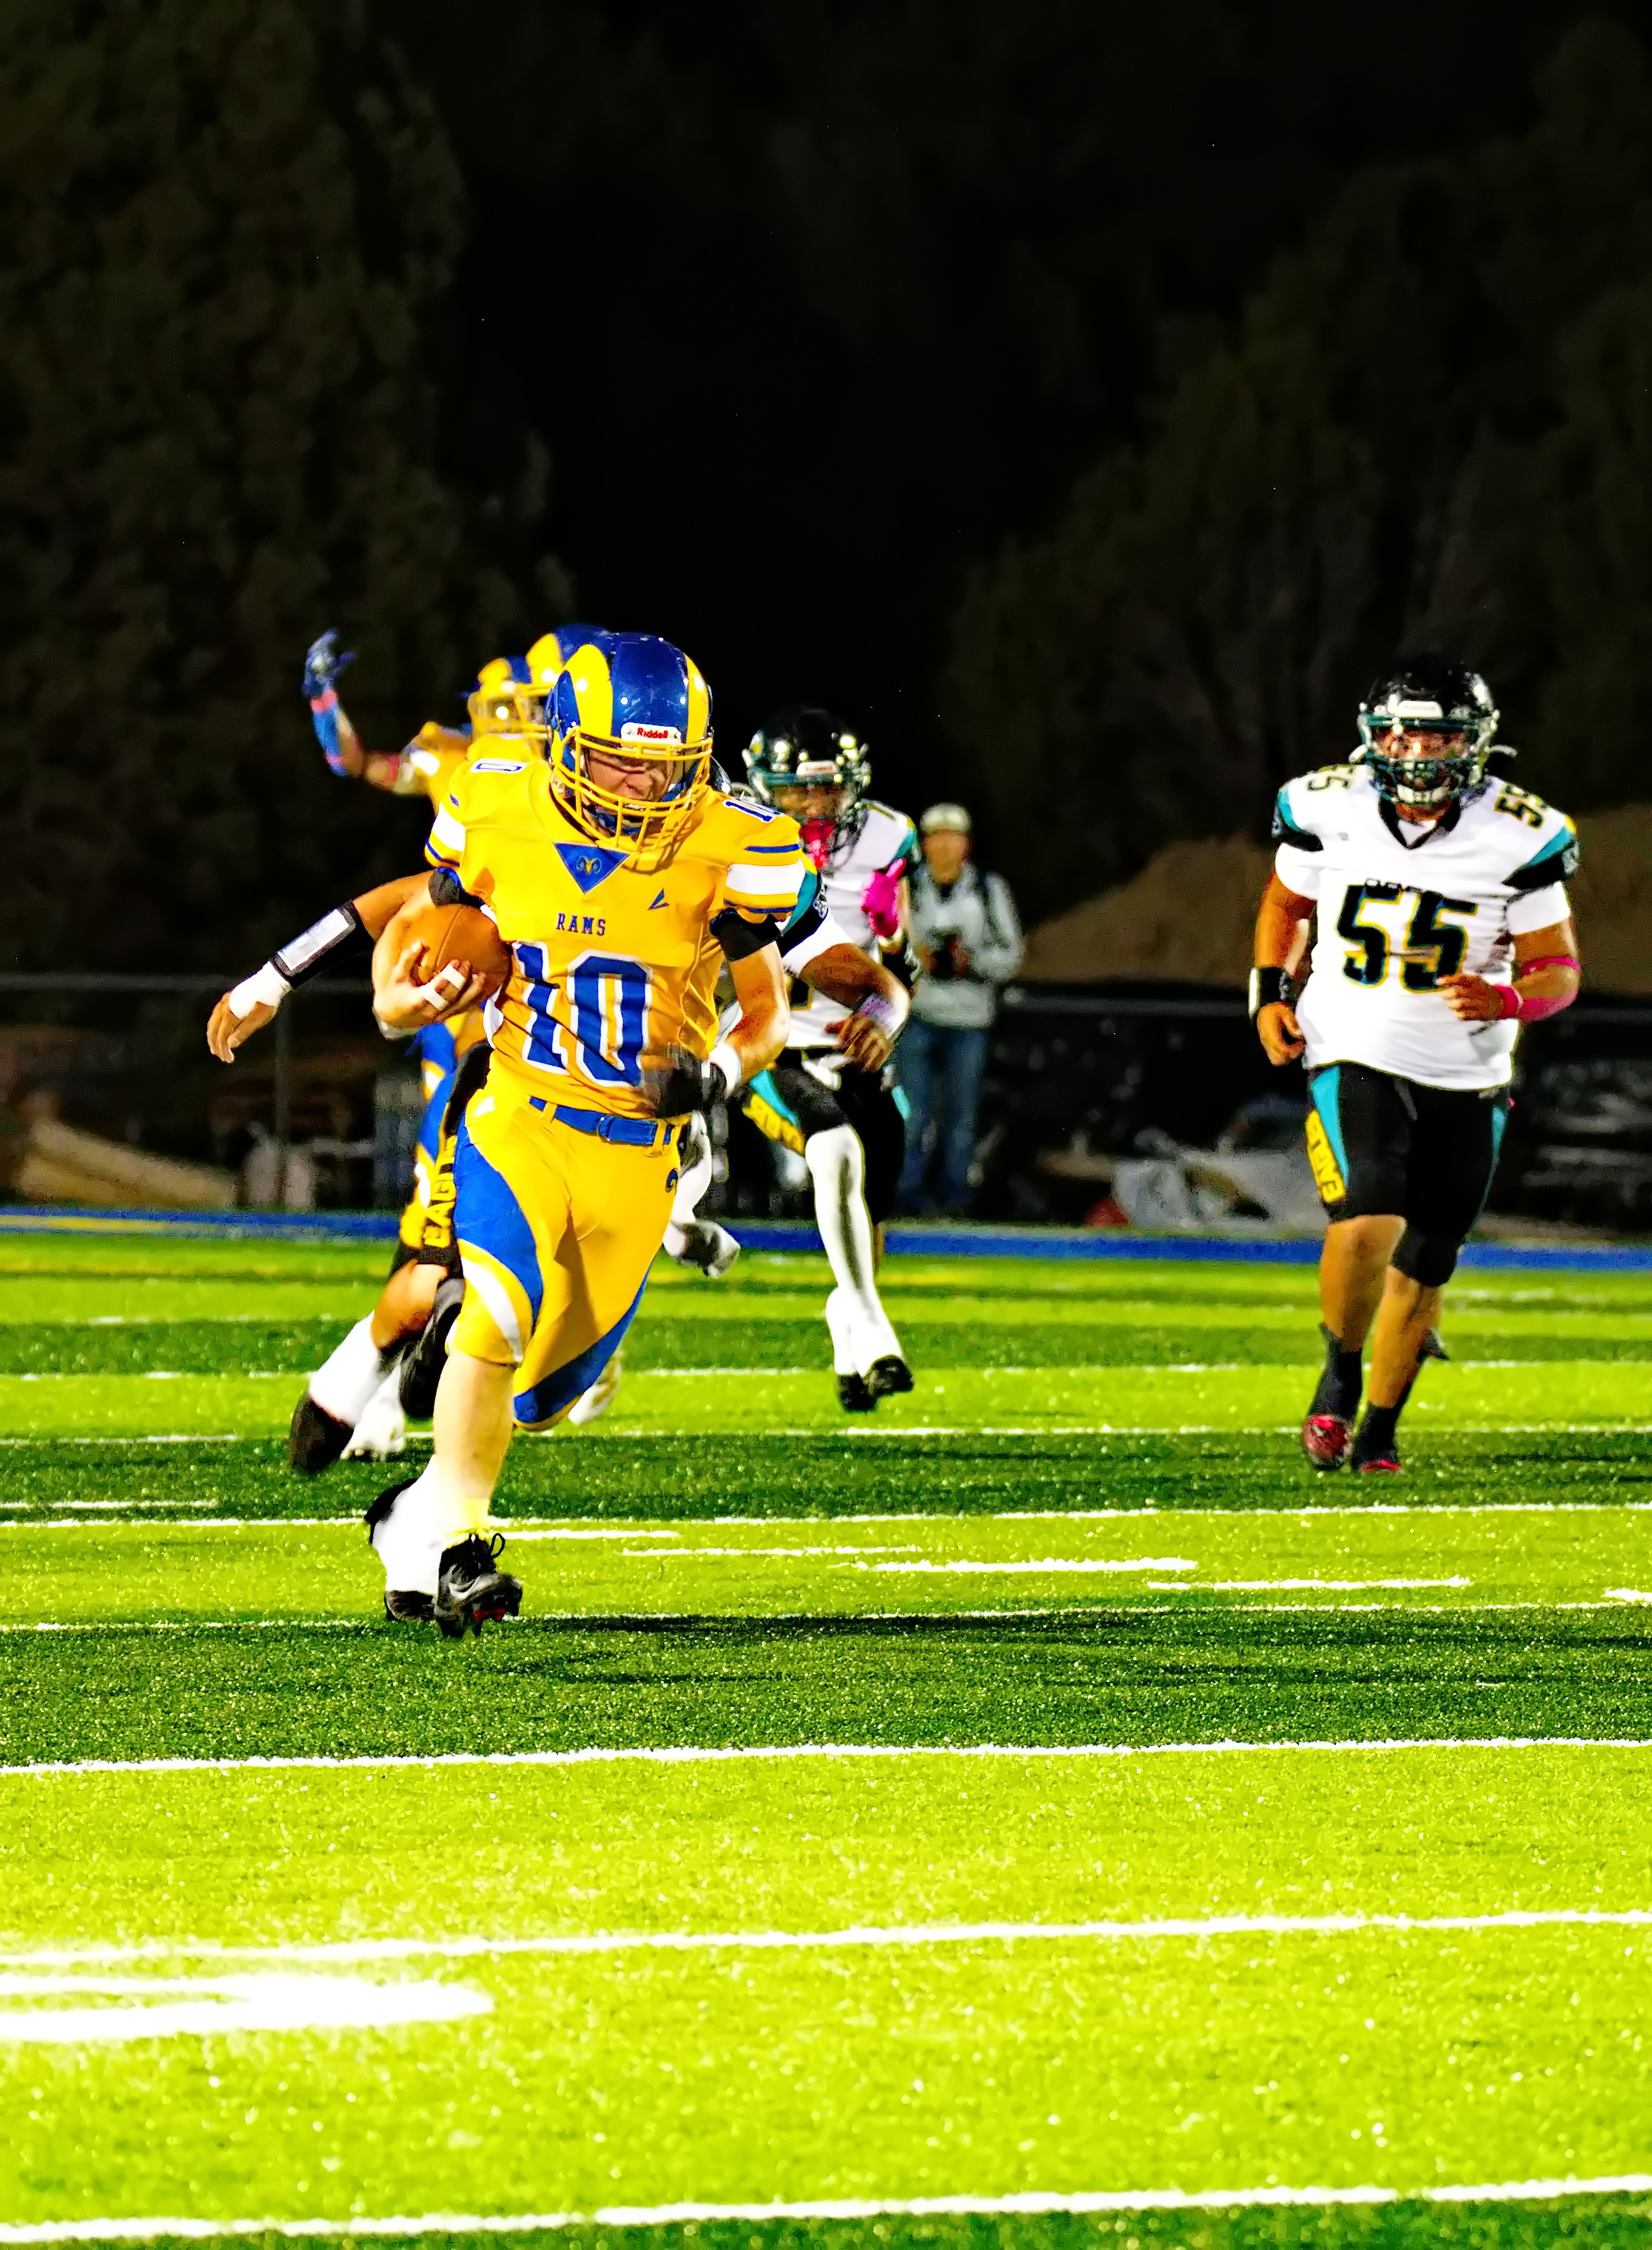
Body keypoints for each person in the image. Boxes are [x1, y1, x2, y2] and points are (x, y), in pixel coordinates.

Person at [363, 631, 816, 1635]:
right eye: (620, 757)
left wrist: (711, 1075)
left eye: (666, 763)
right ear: (566, 742)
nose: (644, 783)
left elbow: (767, 1009)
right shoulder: (498, 796)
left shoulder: (740, 844)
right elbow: (424, 913)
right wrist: (397, 995)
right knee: (500, 1313)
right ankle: (457, 1547)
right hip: (521, 1110)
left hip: (640, 1154)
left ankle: (415, 1518)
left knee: (549, 1396)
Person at [1252, 654, 1582, 1476]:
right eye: (1398, 731)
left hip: (1470, 1072)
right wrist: (1268, 993)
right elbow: (1287, 904)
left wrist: (1509, 1001)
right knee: (1367, 1216)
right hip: (1351, 1042)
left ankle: (1380, 1431)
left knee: (1428, 1259)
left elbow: (1559, 970)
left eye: (1434, 731)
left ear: (1473, 743)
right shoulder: (1328, 806)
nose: (1414, 749)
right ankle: (1337, 1372)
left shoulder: (1521, 831)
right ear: (1372, 735)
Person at [739, 707, 919, 1408]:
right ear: (765, 789)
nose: (815, 807)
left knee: (871, 1209)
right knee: (834, 1153)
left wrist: (895, 939)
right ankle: (869, 1324)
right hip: (772, 1044)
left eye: (827, 791)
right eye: (797, 792)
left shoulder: (885, 838)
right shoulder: (739, 848)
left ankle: (849, 1329)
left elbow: (903, 969)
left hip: (858, 1050)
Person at [896, 802, 1023, 1215]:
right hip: (917, 1016)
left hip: (970, 1020)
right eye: (936, 836)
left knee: (961, 1118)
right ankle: (907, 1195)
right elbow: (884, 947)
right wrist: (918, 959)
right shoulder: (906, 887)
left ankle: (954, 1198)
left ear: (966, 844)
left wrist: (972, 962)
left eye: (953, 837)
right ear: (924, 843)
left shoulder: (989, 888)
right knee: (910, 1114)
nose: (945, 845)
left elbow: (1012, 955)